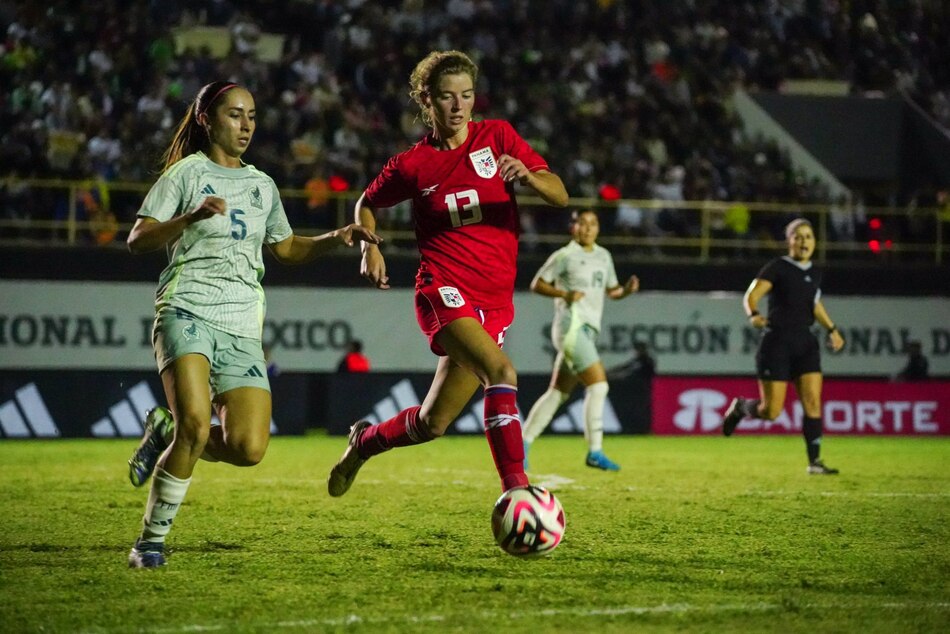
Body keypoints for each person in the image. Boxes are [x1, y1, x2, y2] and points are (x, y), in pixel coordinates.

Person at [124, 81, 381, 568]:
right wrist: (190, 217)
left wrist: (336, 236)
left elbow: (286, 249)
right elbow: (138, 239)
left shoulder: (262, 185)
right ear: (207, 120)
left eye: (252, 116)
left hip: (242, 324)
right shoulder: (186, 174)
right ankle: (150, 543)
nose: (246, 126)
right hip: (187, 308)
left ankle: (163, 430)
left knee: (248, 447)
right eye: (235, 115)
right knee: (195, 426)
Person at [326, 50, 568, 498]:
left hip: (495, 301)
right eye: (446, 96)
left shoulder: (497, 137)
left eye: (467, 95)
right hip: (443, 289)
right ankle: (517, 492)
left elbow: (560, 193)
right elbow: (366, 204)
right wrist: (369, 246)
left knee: (432, 423)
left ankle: (363, 442)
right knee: (501, 371)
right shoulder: (412, 164)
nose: (458, 106)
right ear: (427, 100)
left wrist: (531, 178)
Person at [720, 218, 845, 475]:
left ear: (815, 242)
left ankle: (815, 462)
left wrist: (832, 328)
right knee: (771, 411)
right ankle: (741, 407)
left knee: (813, 402)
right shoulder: (778, 267)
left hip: (805, 343)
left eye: (808, 236)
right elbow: (752, 295)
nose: (804, 241)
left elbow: (814, 304)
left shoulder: (815, 272)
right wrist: (754, 314)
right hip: (777, 343)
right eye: (798, 237)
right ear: (789, 241)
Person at [521, 209, 640, 471]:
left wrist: (626, 291)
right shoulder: (565, 256)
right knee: (599, 386)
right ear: (573, 228)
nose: (587, 228)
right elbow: (537, 284)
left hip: (587, 331)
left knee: (557, 393)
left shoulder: (603, 256)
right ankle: (595, 451)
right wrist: (564, 294)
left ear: (598, 228)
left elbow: (612, 291)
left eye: (593, 224)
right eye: (582, 223)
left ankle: (522, 445)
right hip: (571, 328)